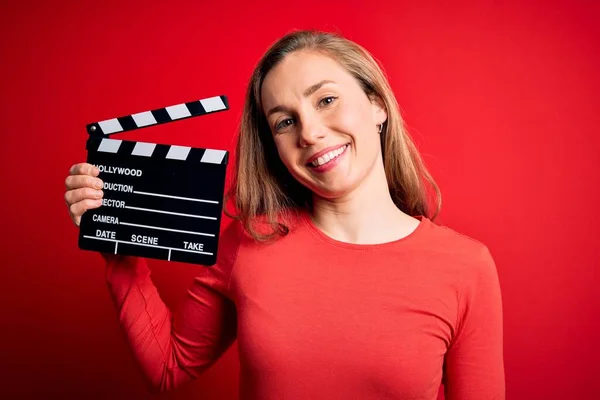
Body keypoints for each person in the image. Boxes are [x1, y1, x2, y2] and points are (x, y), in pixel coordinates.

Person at [64, 30, 505, 400]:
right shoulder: (248, 242)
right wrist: (116, 243)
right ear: (274, 146)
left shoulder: (465, 268)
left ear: (376, 104)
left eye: (326, 100)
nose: (310, 132)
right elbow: (169, 366)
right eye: (284, 122)